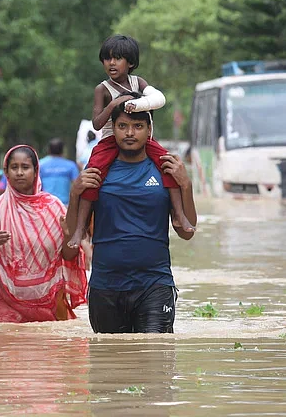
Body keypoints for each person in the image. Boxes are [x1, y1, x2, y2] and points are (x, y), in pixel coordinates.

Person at [66, 101, 197, 333]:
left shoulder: (164, 169)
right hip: (106, 286)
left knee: (155, 357)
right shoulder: (98, 171)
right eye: (122, 126)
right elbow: (74, 232)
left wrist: (185, 184)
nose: (129, 133)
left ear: (149, 130)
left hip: (154, 284)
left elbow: (187, 231)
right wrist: (75, 192)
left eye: (137, 126)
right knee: (111, 363)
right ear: (112, 129)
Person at [67, 34, 195, 249]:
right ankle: (80, 227)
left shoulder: (139, 82)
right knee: (92, 174)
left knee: (168, 165)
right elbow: (97, 124)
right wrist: (114, 104)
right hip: (109, 141)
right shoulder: (103, 89)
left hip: (146, 141)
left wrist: (138, 105)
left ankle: (180, 216)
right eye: (107, 59)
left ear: (131, 63)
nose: (112, 63)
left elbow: (158, 99)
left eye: (117, 58)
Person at [0, 145, 88, 323]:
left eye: (25, 167)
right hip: (7, 300)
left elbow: (68, 255)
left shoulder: (53, 207)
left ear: (36, 171)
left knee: (50, 348)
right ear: (6, 171)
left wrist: (68, 236)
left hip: (49, 300)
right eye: (14, 167)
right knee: (7, 348)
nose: (19, 173)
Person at [39, 138, 80, 206]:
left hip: (45, 204)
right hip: (65, 205)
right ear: (62, 150)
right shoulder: (71, 165)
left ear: (49, 150)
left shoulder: (40, 164)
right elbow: (77, 185)